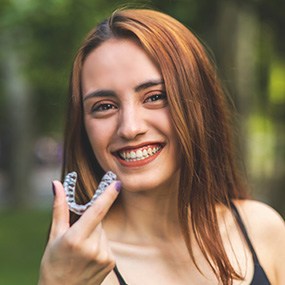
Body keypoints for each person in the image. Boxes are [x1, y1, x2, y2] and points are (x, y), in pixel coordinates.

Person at [38, 8, 285, 285]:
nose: (130, 128)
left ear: (200, 104)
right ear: (82, 127)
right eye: (105, 106)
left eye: (155, 97)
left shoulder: (263, 231)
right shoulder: (85, 267)